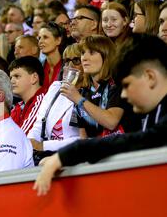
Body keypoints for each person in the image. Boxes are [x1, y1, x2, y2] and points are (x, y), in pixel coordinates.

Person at [34, 34, 167, 196]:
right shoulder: (151, 111)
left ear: (150, 77)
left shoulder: (110, 90)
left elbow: (143, 139)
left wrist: (68, 154)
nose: (123, 95)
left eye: (126, 85)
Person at [27, 44, 82, 158]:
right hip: (45, 154)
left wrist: (44, 146)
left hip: (73, 156)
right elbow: (38, 125)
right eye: (66, 61)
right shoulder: (56, 88)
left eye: (76, 60)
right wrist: (30, 143)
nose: (70, 65)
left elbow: (85, 138)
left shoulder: (90, 93)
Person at [10, 57, 46, 135]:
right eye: (11, 77)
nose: (12, 81)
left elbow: (21, 137)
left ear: (34, 78)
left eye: (17, 76)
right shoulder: (18, 107)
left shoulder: (42, 101)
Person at [38, 22, 66, 90]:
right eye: (39, 38)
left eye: (45, 37)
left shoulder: (67, 66)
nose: (40, 41)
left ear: (58, 40)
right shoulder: (39, 68)